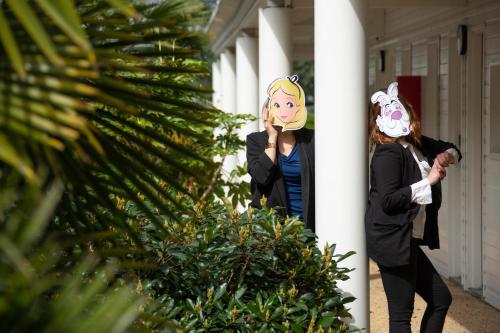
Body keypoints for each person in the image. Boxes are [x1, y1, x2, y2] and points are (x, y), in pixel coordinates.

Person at [365, 82, 462, 333]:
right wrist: (428, 181)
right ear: (380, 121)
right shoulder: (388, 153)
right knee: (401, 317)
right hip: (392, 240)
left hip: (405, 238)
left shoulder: (413, 143)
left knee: (441, 299)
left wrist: (446, 155)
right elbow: (388, 200)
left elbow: (451, 147)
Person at [246, 75, 315, 231]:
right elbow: (261, 178)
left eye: (289, 104)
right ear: (268, 109)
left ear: (298, 107)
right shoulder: (255, 140)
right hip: (271, 230)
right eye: (276, 105)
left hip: (308, 228)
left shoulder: (311, 140)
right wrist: (272, 136)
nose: (283, 111)